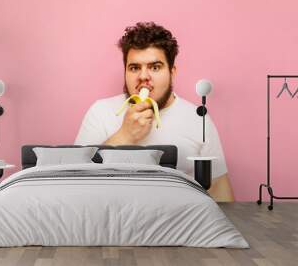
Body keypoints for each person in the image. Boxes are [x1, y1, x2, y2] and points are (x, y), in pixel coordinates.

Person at [74, 22, 234, 202]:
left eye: (155, 67)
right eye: (134, 68)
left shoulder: (198, 119)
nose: (143, 76)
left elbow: (219, 189)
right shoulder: (100, 112)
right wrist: (125, 136)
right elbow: (75, 181)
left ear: (172, 73)